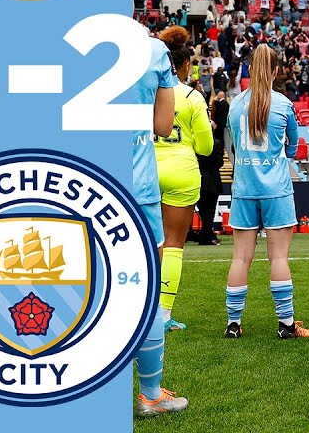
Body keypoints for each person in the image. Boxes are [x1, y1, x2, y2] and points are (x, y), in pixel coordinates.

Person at [224, 45, 309, 340]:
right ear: (276, 72)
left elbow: (234, 148)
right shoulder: (284, 105)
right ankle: (286, 325)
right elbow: (291, 149)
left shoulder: (235, 104)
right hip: (276, 189)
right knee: (278, 258)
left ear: (249, 70)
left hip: (244, 189)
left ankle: (233, 325)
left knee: (240, 259)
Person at [127, 28, 182, 416]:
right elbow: (164, 126)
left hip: (75, 184)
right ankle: (149, 393)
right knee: (144, 296)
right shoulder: (153, 49)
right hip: (137, 184)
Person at [155, 26, 214, 332]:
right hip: (181, 170)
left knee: (147, 244)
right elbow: (206, 148)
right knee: (174, 244)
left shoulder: (148, 92)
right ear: (186, 65)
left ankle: (141, 310)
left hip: (147, 168)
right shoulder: (192, 96)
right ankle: (163, 316)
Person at [195, 89, 230, 245]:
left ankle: (207, 234)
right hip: (212, 182)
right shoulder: (216, 144)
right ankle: (206, 236)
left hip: (199, 180)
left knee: (202, 211)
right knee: (209, 211)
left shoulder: (195, 145)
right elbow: (220, 163)